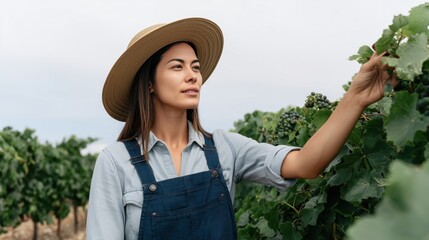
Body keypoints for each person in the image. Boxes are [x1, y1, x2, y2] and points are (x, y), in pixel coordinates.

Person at [86, 17, 395, 240]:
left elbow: (307, 164)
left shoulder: (223, 148)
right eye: (177, 66)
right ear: (149, 83)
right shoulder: (115, 163)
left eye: (195, 67)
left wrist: (355, 98)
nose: (193, 75)